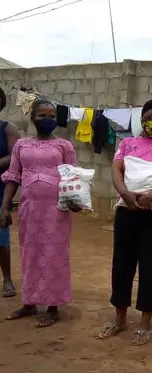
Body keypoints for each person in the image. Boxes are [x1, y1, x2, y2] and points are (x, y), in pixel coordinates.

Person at [98, 99, 152, 346]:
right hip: (127, 211)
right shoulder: (127, 143)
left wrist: (149, 198)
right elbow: (116, 169)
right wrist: (125, 194)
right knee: (121, 265)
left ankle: (145, 323)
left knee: (151, 267)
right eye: (147, 117)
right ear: (140, 119)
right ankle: (120, 319)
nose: (151, 122)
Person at [0, 99, 79, 327]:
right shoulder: (22, 146)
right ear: (32, 117)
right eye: (42, 116)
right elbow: (13, 177)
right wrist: (4, 206)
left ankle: (53, 306)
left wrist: (75, 201)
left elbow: (72, 177)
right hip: (29, 209)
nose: (48, 120)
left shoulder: (64, 146)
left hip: (57, 210)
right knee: (30, 254)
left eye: (52, 116)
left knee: (54, 255)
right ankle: (30, 302)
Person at [0, 88, 21, 298]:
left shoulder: (7, 128)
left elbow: (15, 155)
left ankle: (7, 278)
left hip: (0, 188)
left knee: (1, 237)